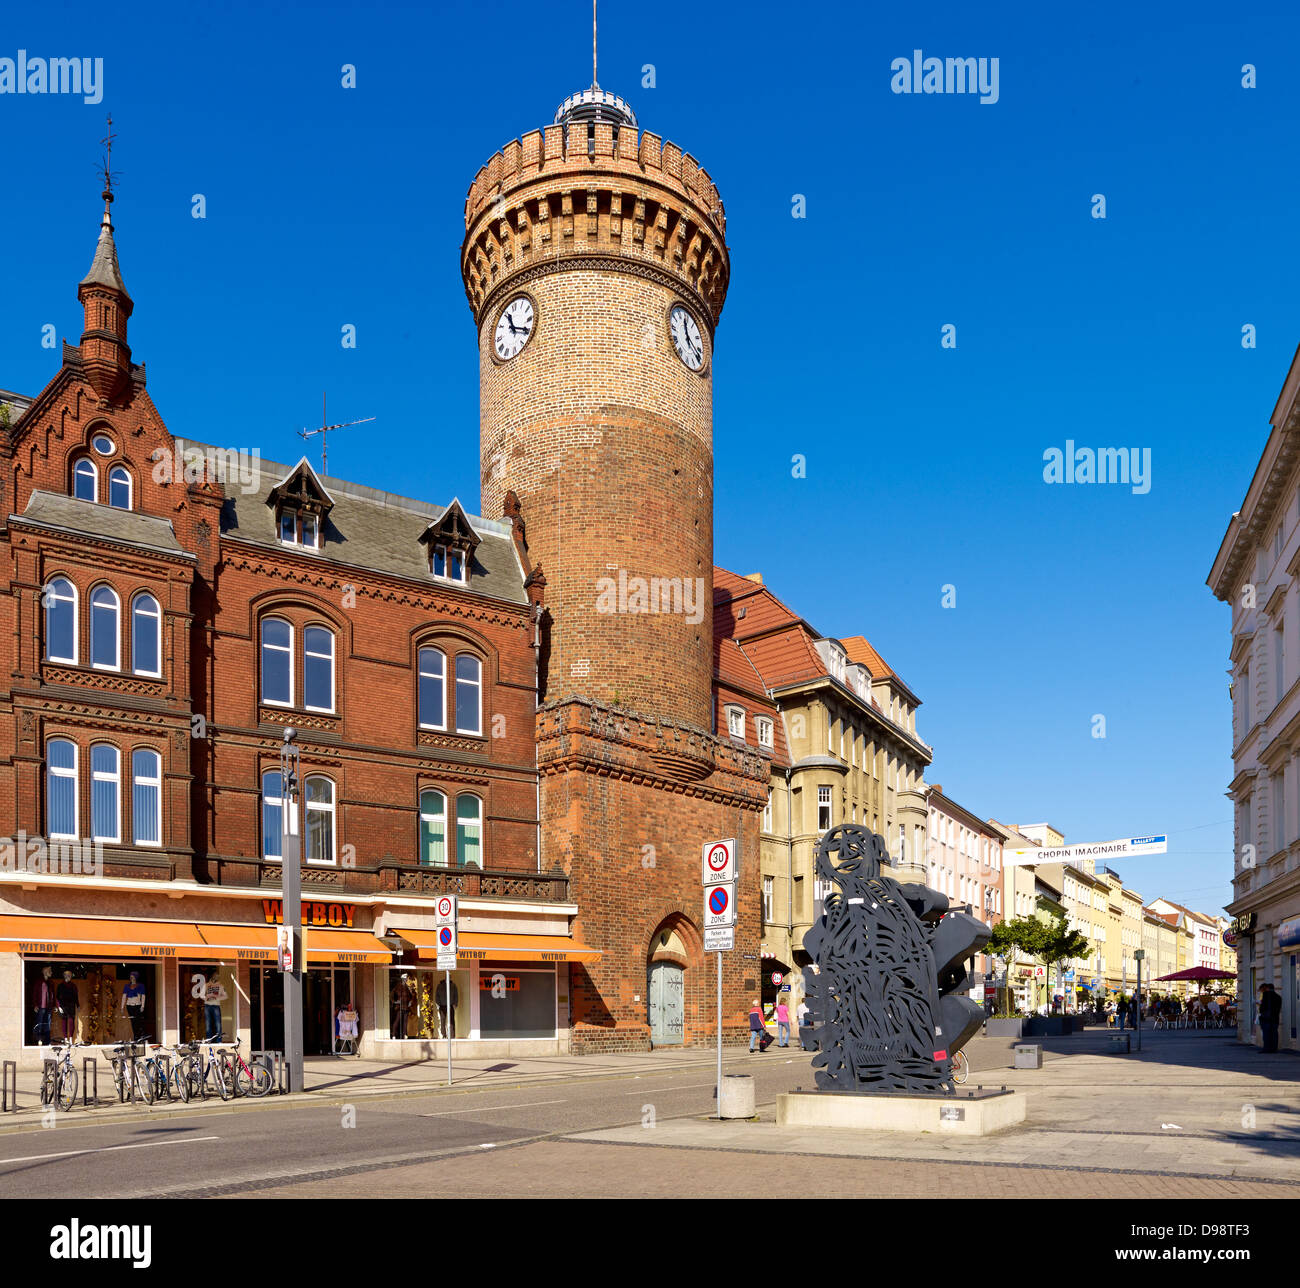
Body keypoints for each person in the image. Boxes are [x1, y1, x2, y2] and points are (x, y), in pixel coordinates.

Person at [120, 971, 147, 1042]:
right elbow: (124, 997)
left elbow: (143, 996)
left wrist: (142, 1006)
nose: (131, 978)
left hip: (137, 1005)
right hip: (129, 1006)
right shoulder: (127, 986)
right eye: (130, 977)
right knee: (133, 1021)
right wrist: (122, 1007)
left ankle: (140, 1035)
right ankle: (135, 1036)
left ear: (136, 977)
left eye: (133, 977)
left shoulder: (140, 986)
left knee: (138, 1021)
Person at [55, 969, 80, 1043]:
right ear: (64, 976)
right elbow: (57, 997)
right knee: (64, 1022)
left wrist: (78, 1005)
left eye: (70, 975)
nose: (68, 976)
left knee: (71, 1022)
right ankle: (66, 1038)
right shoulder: (60, 986)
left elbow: (76, 996)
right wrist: (59, 1006)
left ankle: (71, 1038)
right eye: (67, 975)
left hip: (71, 1006)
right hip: (63, 1006)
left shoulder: (73, 986)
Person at [32, 965, 55, 1046]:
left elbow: (53, 994)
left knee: (47, 1024)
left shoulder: (51, 982)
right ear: (45, 972)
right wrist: (35, 1004)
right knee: (39, 1023)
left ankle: (47, 1041)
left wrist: (54, 1005)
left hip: (49, 1007)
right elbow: (34, 994)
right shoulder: (39, 982)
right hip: (41, 1006)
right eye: (50, 971)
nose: (51, 973)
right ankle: (38, 1040)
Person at [203, 977, 228, 1042]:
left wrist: (217, 997)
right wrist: (206, 997)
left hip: (216, 1005)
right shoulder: (206, 985)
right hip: (207, 1005)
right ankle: (209, 1040)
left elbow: (225, 996)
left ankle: (219, 1040)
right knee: (208, 1024)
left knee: (218, 1024)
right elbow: (201, 995)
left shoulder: (220, 986)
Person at [1259, 984, 1281, 1053]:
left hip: (1266, 1018)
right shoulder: (1278, 997)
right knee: (1274, 1034)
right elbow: (1278, 1009)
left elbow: (1262, 1007)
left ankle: (1266, 1048)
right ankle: (1274, 1048)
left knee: (1266, 1034)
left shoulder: (1265, 995)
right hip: (1275, 1018)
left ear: (1267, 988)